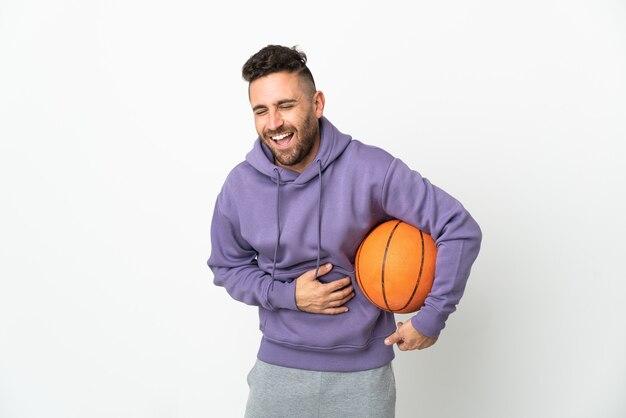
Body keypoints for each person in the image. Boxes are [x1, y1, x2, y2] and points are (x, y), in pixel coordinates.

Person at [208, 44, 482, 418]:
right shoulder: (240, 186)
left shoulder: (371, 169)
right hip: (278, 371)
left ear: (317, 104)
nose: (273, 123)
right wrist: (290, 296)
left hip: (362, 375)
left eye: (286, 105)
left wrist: (432, 317)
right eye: (261, 110)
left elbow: (458, 226)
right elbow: (227, 266)